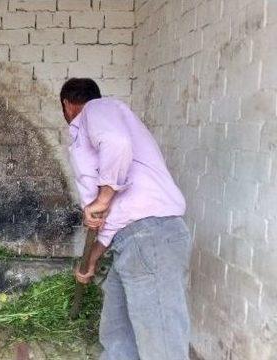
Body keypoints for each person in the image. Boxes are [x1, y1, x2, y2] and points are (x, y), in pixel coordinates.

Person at [62, 78, 192, 359]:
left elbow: (117, 143)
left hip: (150, 237)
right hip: (132, 243)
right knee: (117, 335)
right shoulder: (95, 125)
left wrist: (103, 197)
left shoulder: (96, 110)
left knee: (162, 346)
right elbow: (115, 219)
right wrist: (93, 259)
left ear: (67, 106)